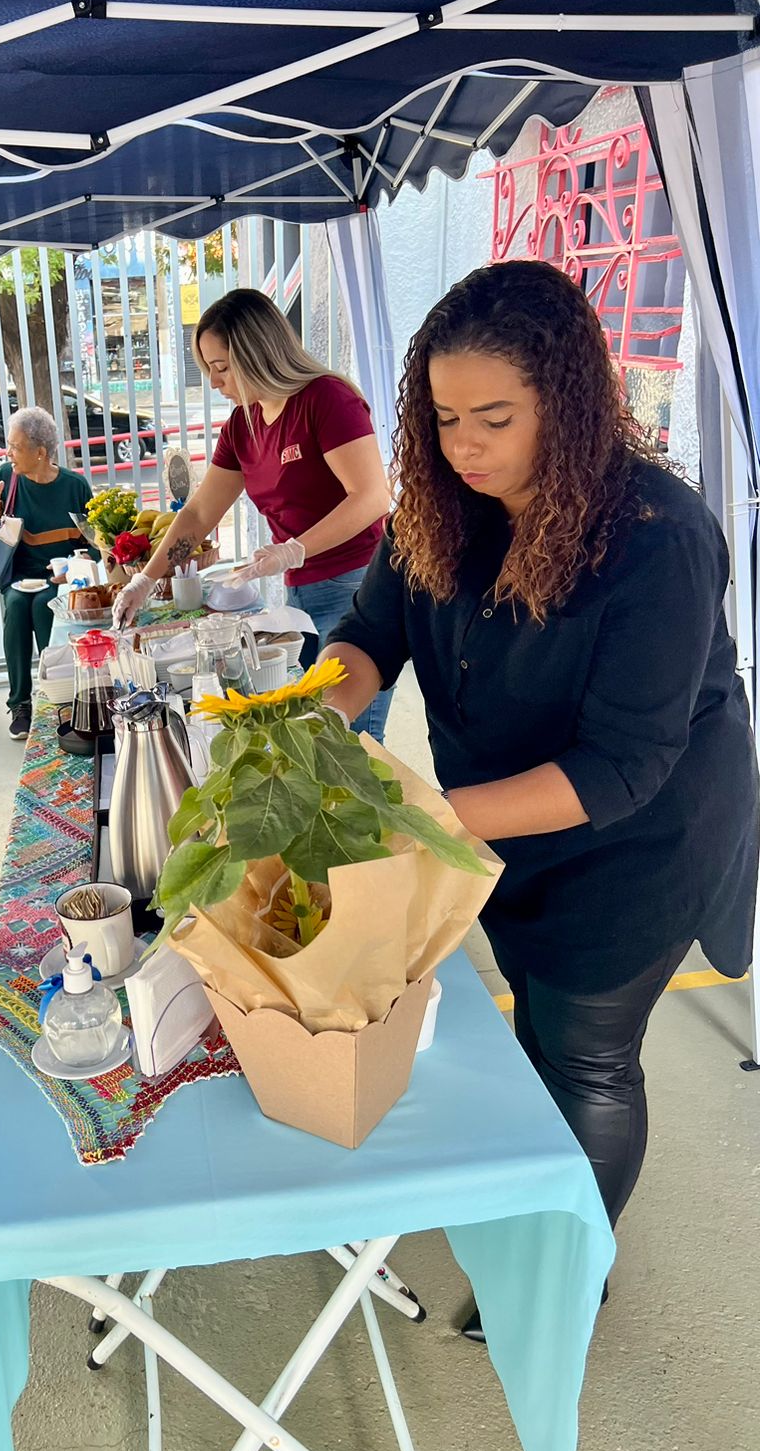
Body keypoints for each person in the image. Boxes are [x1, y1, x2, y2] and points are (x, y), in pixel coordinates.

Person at [321, 260, 759, 1338]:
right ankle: (548, 1188)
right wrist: (317, 713)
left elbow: (622, 767)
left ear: (568, 401)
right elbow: (370, 638)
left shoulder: (657, 537)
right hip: (504, 817)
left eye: (495, 418)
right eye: (444, 417)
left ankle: (570, 1267)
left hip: (642, 838)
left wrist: (420, 812)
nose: (463, 445)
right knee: (539, 1020)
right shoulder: (441, 507)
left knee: (588, 1050)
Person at [113, 288, 392, 739]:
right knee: (312, 733)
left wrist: (294, 549)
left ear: (257, 353)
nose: (215, 381)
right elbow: (199, 512)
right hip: (300, 592)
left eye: (221, 367)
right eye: (208, 369)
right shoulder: (243, 424)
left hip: (357, 586)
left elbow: (372, 498)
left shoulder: (326, 399)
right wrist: (145, 580)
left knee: (352, 740)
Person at [0, 405, 92, 739]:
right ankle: (19, 704)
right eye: (9, 445)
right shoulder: (6, 479)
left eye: (15, 447)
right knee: (15, 605)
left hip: (62, 577)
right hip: (18, 574)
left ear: (41, 453)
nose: (8, 452)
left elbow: (95, 543)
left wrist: (70, 570)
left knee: (44, 606)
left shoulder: (74, 486)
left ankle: (57, 697)